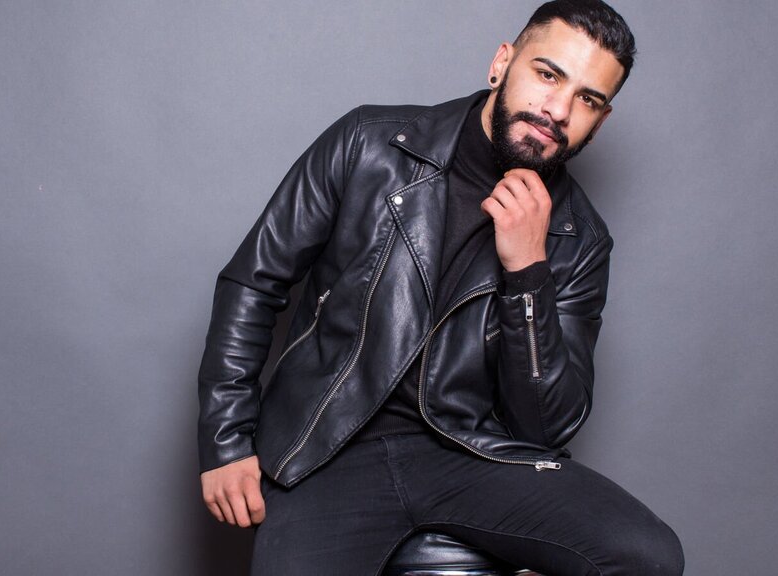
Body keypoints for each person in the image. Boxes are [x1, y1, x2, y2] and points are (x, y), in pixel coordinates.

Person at [197, 1, 684, 574]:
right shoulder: (369, 144)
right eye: (548, 75)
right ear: (502, 64)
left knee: (650, 557)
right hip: (330, 443)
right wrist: (226, 442)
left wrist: (529, 272)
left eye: (587, 99)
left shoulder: (579, 240)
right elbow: (254, 282)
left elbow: (546, 425)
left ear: (599, 122)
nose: (557, 110)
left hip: (471, 454)